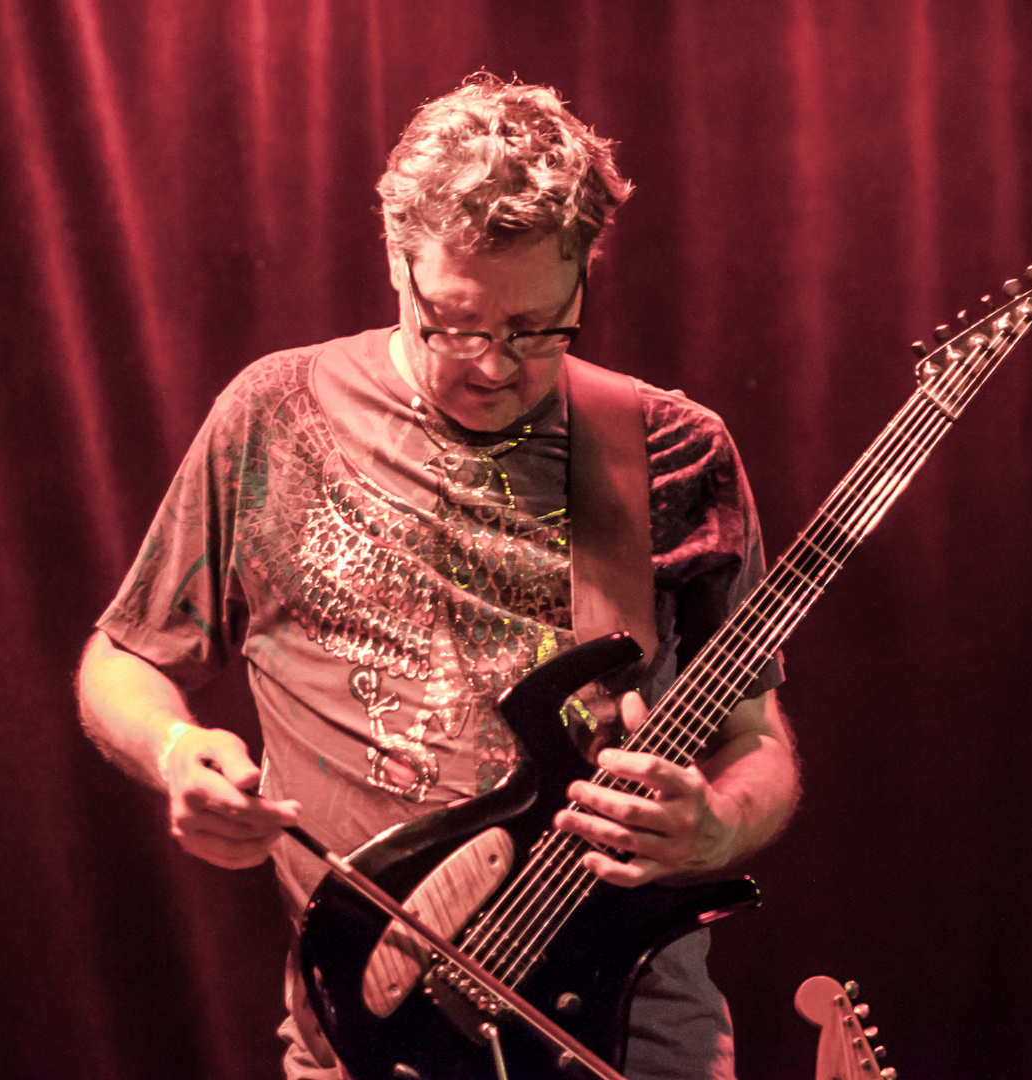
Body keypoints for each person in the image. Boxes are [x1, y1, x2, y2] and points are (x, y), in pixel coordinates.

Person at [77, 73, 799, 1080]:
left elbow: (758, 743)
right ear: (395, 259)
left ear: (585, 270)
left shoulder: (673, 450)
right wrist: (175, 751)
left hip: (622, 1039)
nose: (495, 365)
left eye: (536, 328)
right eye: (455, 324)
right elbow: (123, 658)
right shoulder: (271, 417)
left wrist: (715, 825)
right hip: (370, 1044)